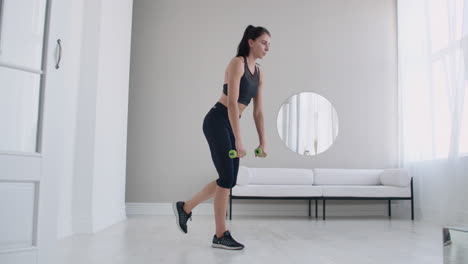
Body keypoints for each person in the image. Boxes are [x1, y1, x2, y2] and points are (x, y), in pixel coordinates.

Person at [173, 25, 271, 250]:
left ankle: (186, 208)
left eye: (269, 44)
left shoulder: (260, 73)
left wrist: (263, 141)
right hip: (218, 120)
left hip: (230, 122)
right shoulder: (237, 63)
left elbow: (258, 112)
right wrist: (238, 138)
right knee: (227, 178)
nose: (267, 48)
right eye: (264, 42)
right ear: (251, 42)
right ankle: (220, 234)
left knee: (228, 180)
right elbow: (231, 105)